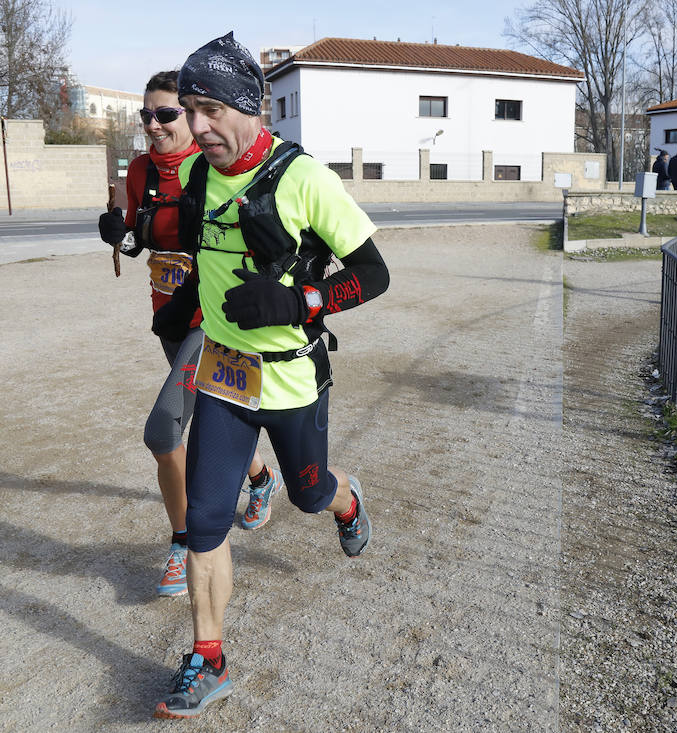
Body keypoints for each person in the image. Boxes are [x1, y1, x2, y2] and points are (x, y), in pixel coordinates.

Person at [151, 33, 389, 719]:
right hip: (223, 378)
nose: (198, 126)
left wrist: (300, 301)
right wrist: (180, 307)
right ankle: (209, 657)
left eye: (211, 110)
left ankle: (346, 501)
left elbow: (374, 273)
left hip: (291, 381)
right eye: (189, 110)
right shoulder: (200, 178)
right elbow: (205, 259)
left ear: (250, 107)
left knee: (308, 494)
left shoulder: (304, 178)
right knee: (204, 522)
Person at [97, 70, 283, 600]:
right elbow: (142, 238)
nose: (153, 125)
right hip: (170, 318)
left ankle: (184, 541)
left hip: (213, 319)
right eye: (146, 116)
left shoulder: (211, 167)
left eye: (166, 114)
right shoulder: (140, 171)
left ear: (190, 115)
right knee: (205, 411)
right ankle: (261, 478)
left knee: (164, 430)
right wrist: (120, 235)